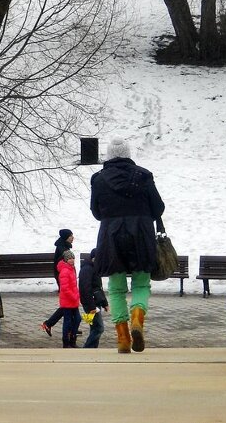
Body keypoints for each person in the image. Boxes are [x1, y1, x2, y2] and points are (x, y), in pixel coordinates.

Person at [90, 138, 165, 354]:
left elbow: (96, 212)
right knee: (141, 283)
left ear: (109, 155)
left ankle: (123, 338)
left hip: (111, 236)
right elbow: (158, 208)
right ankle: (137, 318)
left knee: (115, 288)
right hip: (140, 233)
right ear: (128, 153)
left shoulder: (99, 179)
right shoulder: (143, 175)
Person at [40, 228, 74, 336]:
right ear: (66, 237)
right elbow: (62, 266)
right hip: (63, 278)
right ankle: (51, 324)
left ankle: (68, 327)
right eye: (71, 236)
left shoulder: (64, 246)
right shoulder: (62, 249)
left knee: (68, 305)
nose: (73, 238)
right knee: (67, 305)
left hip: (63, 278)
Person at [78, 248, 109, 348]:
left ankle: (93, 350)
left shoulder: (94, 268)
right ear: (95, 258)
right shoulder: (87, 269)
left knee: (94, 327)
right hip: (91, 303)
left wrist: (104, 303)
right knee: (99, 328)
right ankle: (87, 348)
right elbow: (85, 288)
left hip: (96, 301)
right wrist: (91, 306)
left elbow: (98, 288)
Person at [57, 250, 80, 348]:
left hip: (73, 300)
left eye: (73, 258)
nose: (72, 260)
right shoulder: (65, 271)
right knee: (68, 321)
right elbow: (65, 288)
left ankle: (72, 338)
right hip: (68, 301)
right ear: (66, 260)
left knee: (77, 319)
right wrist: (74, 296)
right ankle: (66, 341)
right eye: (70, 258)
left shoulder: (71, 269)